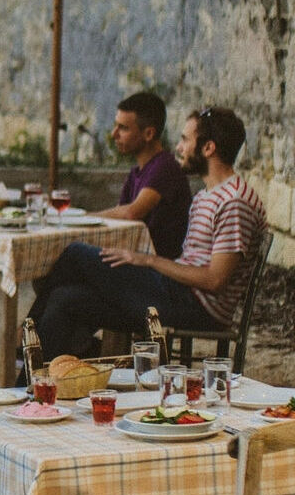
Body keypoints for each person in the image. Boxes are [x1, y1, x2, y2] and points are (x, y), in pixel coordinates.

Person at [29, 106, 265, 358]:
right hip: (177, 295)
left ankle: (27, 341)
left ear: (208, 148)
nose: (179, 147)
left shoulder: (233, 201)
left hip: (196, 308)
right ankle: (29, 384)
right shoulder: (206, 196)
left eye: (186, 140)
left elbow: (215, 281)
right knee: (65, 299)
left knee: (76, 253)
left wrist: (149, 261)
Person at [97, 92, 191, 259]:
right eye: (115, 125)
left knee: (72, 256)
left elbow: (132, 213)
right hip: (133, 261)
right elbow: (119, 221)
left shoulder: (166, 167)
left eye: (123, 128)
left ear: (148, 134)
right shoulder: (136, 173)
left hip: (160, 271)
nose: (114, 134)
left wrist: (82, 217)